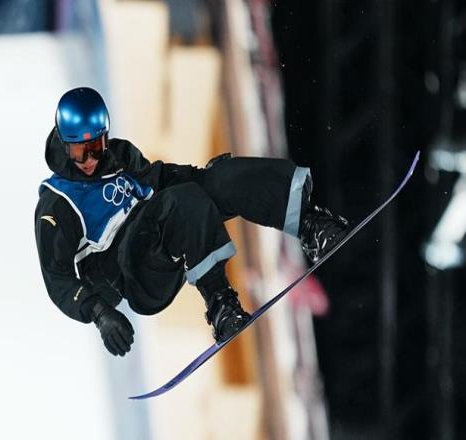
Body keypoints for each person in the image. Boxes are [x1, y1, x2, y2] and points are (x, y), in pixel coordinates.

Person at [34, 87, 349, 357]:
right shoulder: (57, 204)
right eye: (80, 151)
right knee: (182, 200)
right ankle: (220, 304)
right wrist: (100, 313)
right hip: (128, 273)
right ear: (64, 144)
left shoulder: (119, 156)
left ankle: (310, 225)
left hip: (158, 235)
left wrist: (209, 177)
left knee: (219, 179)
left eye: (96, 147)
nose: (90, 160)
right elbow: (57, 278)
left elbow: (160, 179)